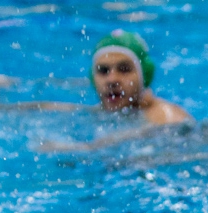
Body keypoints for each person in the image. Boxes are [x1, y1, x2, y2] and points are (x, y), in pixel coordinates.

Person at [26, 30, 191, 152]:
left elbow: (149, 133)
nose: (112, 80)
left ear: (144, 75)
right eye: (103, 71)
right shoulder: (109, 112)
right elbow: (72, 110)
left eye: (124, 69)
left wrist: (83, 148)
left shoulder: (167, 116)